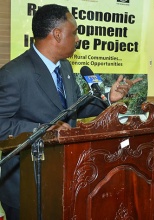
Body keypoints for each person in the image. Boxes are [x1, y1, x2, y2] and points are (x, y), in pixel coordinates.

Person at [0, 4, 141, 220]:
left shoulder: (64, 67)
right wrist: (43, 130)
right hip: (27, 186)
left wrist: (109, 98)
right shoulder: (14, 74)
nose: (77, 39)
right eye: (73, 32)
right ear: (57, 34)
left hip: (65, 179)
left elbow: (73, 107)